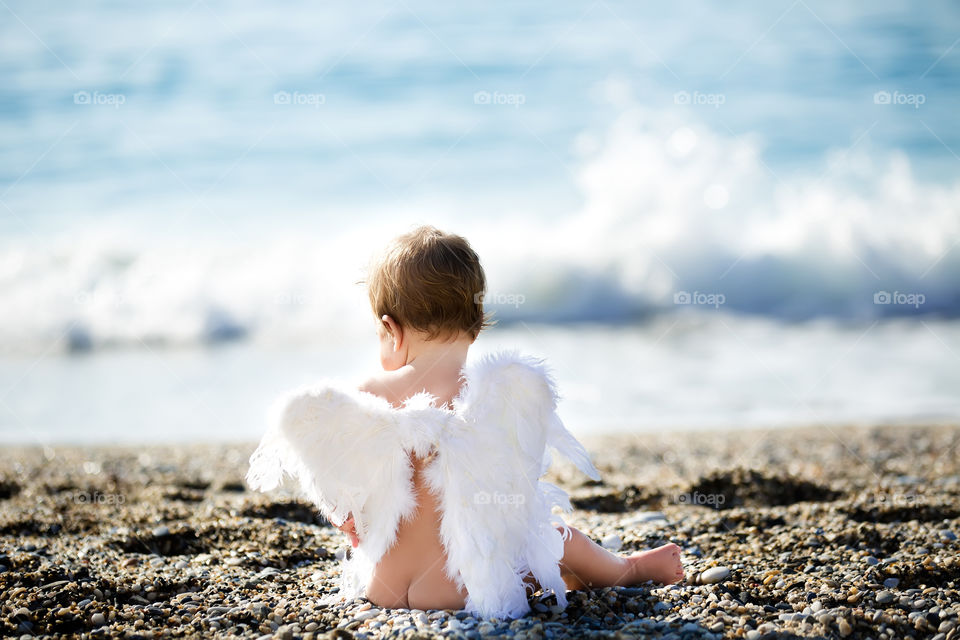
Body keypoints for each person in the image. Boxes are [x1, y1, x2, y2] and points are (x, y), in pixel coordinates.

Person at [247, 225, 684, 618]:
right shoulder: (491, 397)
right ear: (476, 325)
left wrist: (349, 516)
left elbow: (347, 496)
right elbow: (511, 496)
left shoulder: (369, 396)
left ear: (391, 330)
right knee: (559, 539)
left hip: (380, 586)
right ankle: (630, 569)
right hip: (460, 589)